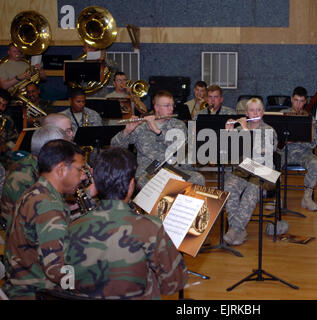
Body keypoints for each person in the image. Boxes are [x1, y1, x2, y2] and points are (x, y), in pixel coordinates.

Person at [66, 147, 188, 299]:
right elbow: (173, 284)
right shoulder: (150, 227)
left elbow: (66, 283)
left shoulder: (72, 227)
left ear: (96, 184)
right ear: (131, 186)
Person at [2, 139, 86, 299]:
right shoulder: (48, 206)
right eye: (79, 170)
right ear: (61, 169)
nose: (82, 176)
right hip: (36, 292)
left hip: (22, 282)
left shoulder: (36, 192)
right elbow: (58, 271)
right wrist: (95, 276)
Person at [111, 90, 205, 189]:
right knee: (148, 183)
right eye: (167, 106)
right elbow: (115, 148)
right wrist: (127, 131)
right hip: (148, 173)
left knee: (198, 178)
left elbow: (180, 149)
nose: (171, 109)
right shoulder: (142, 127)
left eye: (172, 105)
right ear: (156, 107)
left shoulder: (178, 125)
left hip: (173, 170)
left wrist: (158, 131)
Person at [222, 98, 278, 246]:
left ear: (263, 112)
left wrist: (246, 131)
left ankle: (234, 230)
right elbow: (229, 153)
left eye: (259, 110)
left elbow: (261, 154)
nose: (256, 113)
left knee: (252, 190)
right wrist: (228, 133)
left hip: (264, 172)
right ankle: (240, 230)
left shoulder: (269, 130)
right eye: (252, 110)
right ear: (246, 113)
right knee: (228, 187)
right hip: (244, 170)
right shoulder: (240, 129)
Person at [0, 126, 68, 230]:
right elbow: (31, 218)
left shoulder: (39, 165)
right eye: (63, 150)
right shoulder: (23, 176)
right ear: (49, 151)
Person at [280, 86, 317, 211]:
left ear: (305, 102)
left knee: (316, 165)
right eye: (296, 100)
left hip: (303, 152)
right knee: (271, 165)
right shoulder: (282, 115)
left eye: (302, 101)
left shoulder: (310, 119)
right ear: (292, 99)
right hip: (283, 151)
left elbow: (313, 143)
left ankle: (307, 198)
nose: (298, 104)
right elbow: (273, 137)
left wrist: (297, 138)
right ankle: (278, 199)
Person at [0, 89, 19, 169]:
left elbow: (15, 140)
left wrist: (6, 146)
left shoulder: (7, 121)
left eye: (4, 105)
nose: (0, 108)